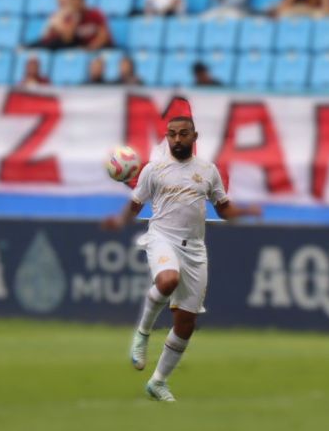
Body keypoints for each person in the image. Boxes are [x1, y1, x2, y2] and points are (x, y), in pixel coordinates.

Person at [102, 115, 260, 402]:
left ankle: (158, 381)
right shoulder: (155, 169)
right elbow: (136, 204)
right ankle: (143, 333)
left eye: (182, 134)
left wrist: (247, 212)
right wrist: (119, 221)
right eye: (172, 134)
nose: (176, 139)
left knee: (186, 322)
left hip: (195, 250)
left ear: (194, 137)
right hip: (162, 238)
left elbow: (222, 208)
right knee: (168, 279)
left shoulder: (208, 171)